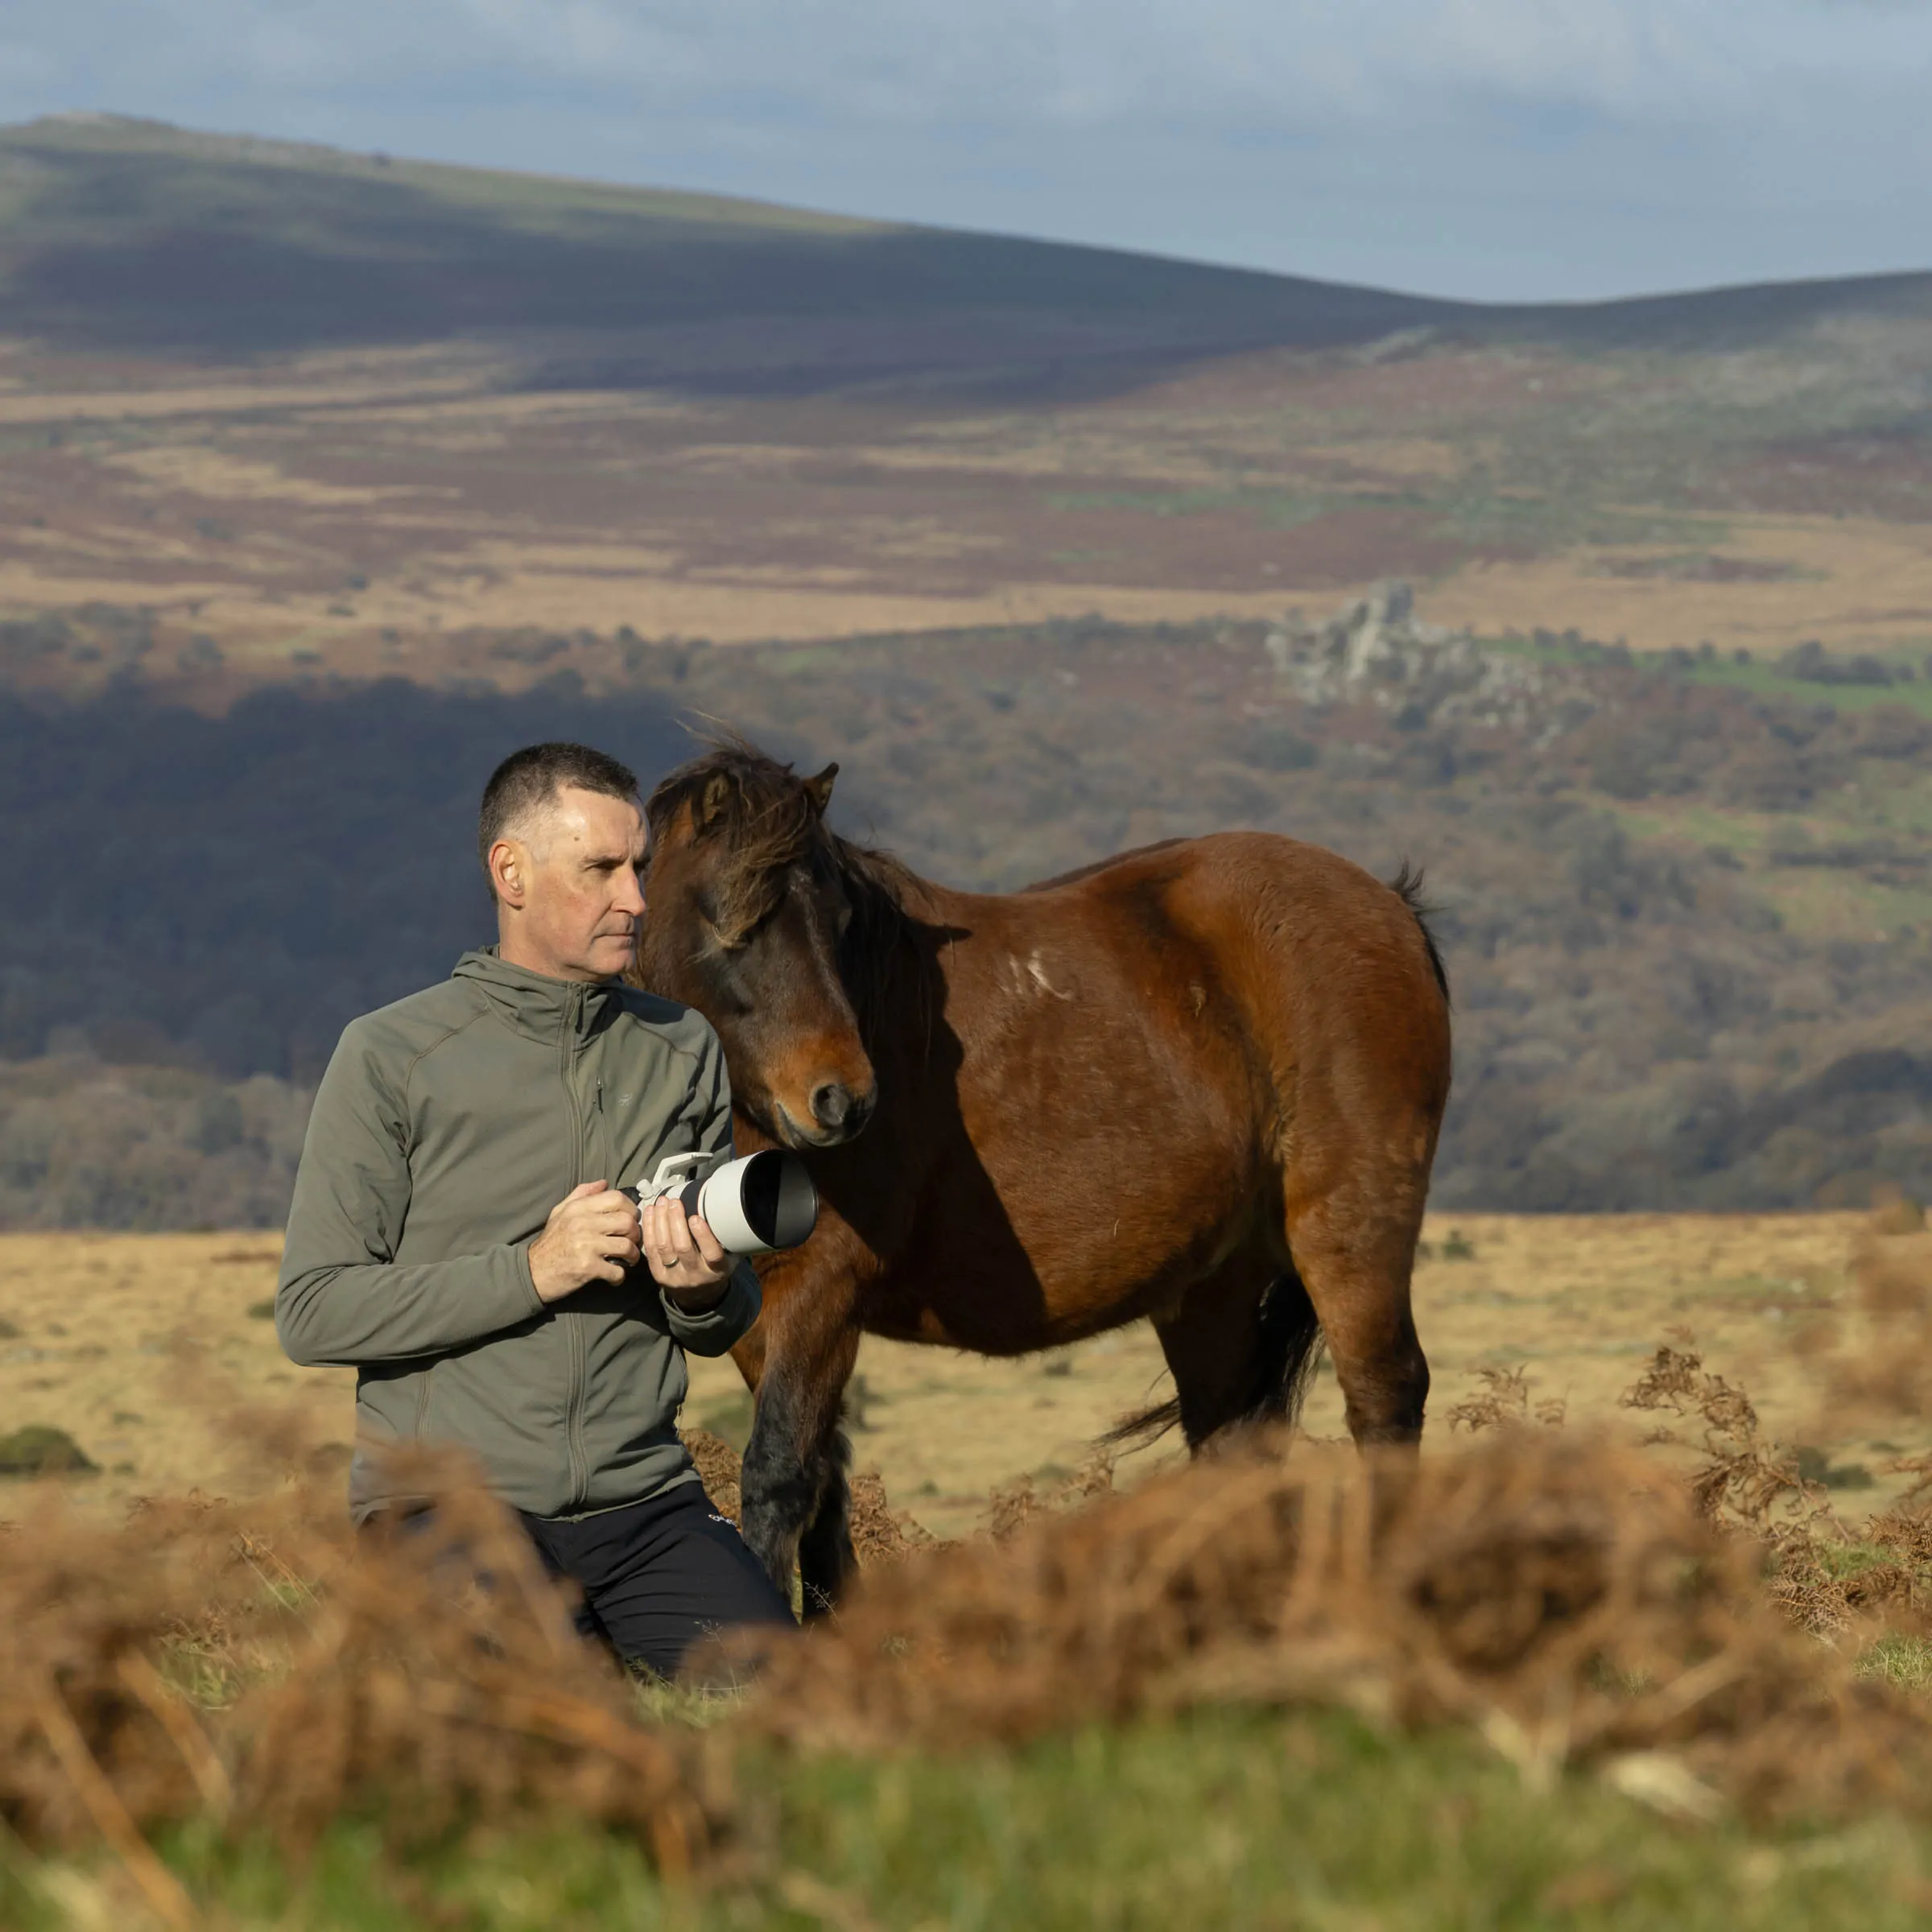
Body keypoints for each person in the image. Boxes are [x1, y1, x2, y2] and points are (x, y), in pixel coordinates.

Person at [275, 740, 795, 1677]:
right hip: (446, 1506)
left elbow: (725, 1321)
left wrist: (705, 1289)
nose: (635, 898)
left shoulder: (682, 1048)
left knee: (802, 1707)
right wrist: (531, 1272)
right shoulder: (391, 1056)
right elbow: (313, 1312)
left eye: (638, 867)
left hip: (646, 1504)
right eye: (601, 869)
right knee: (560, 1716)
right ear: (510, 873)